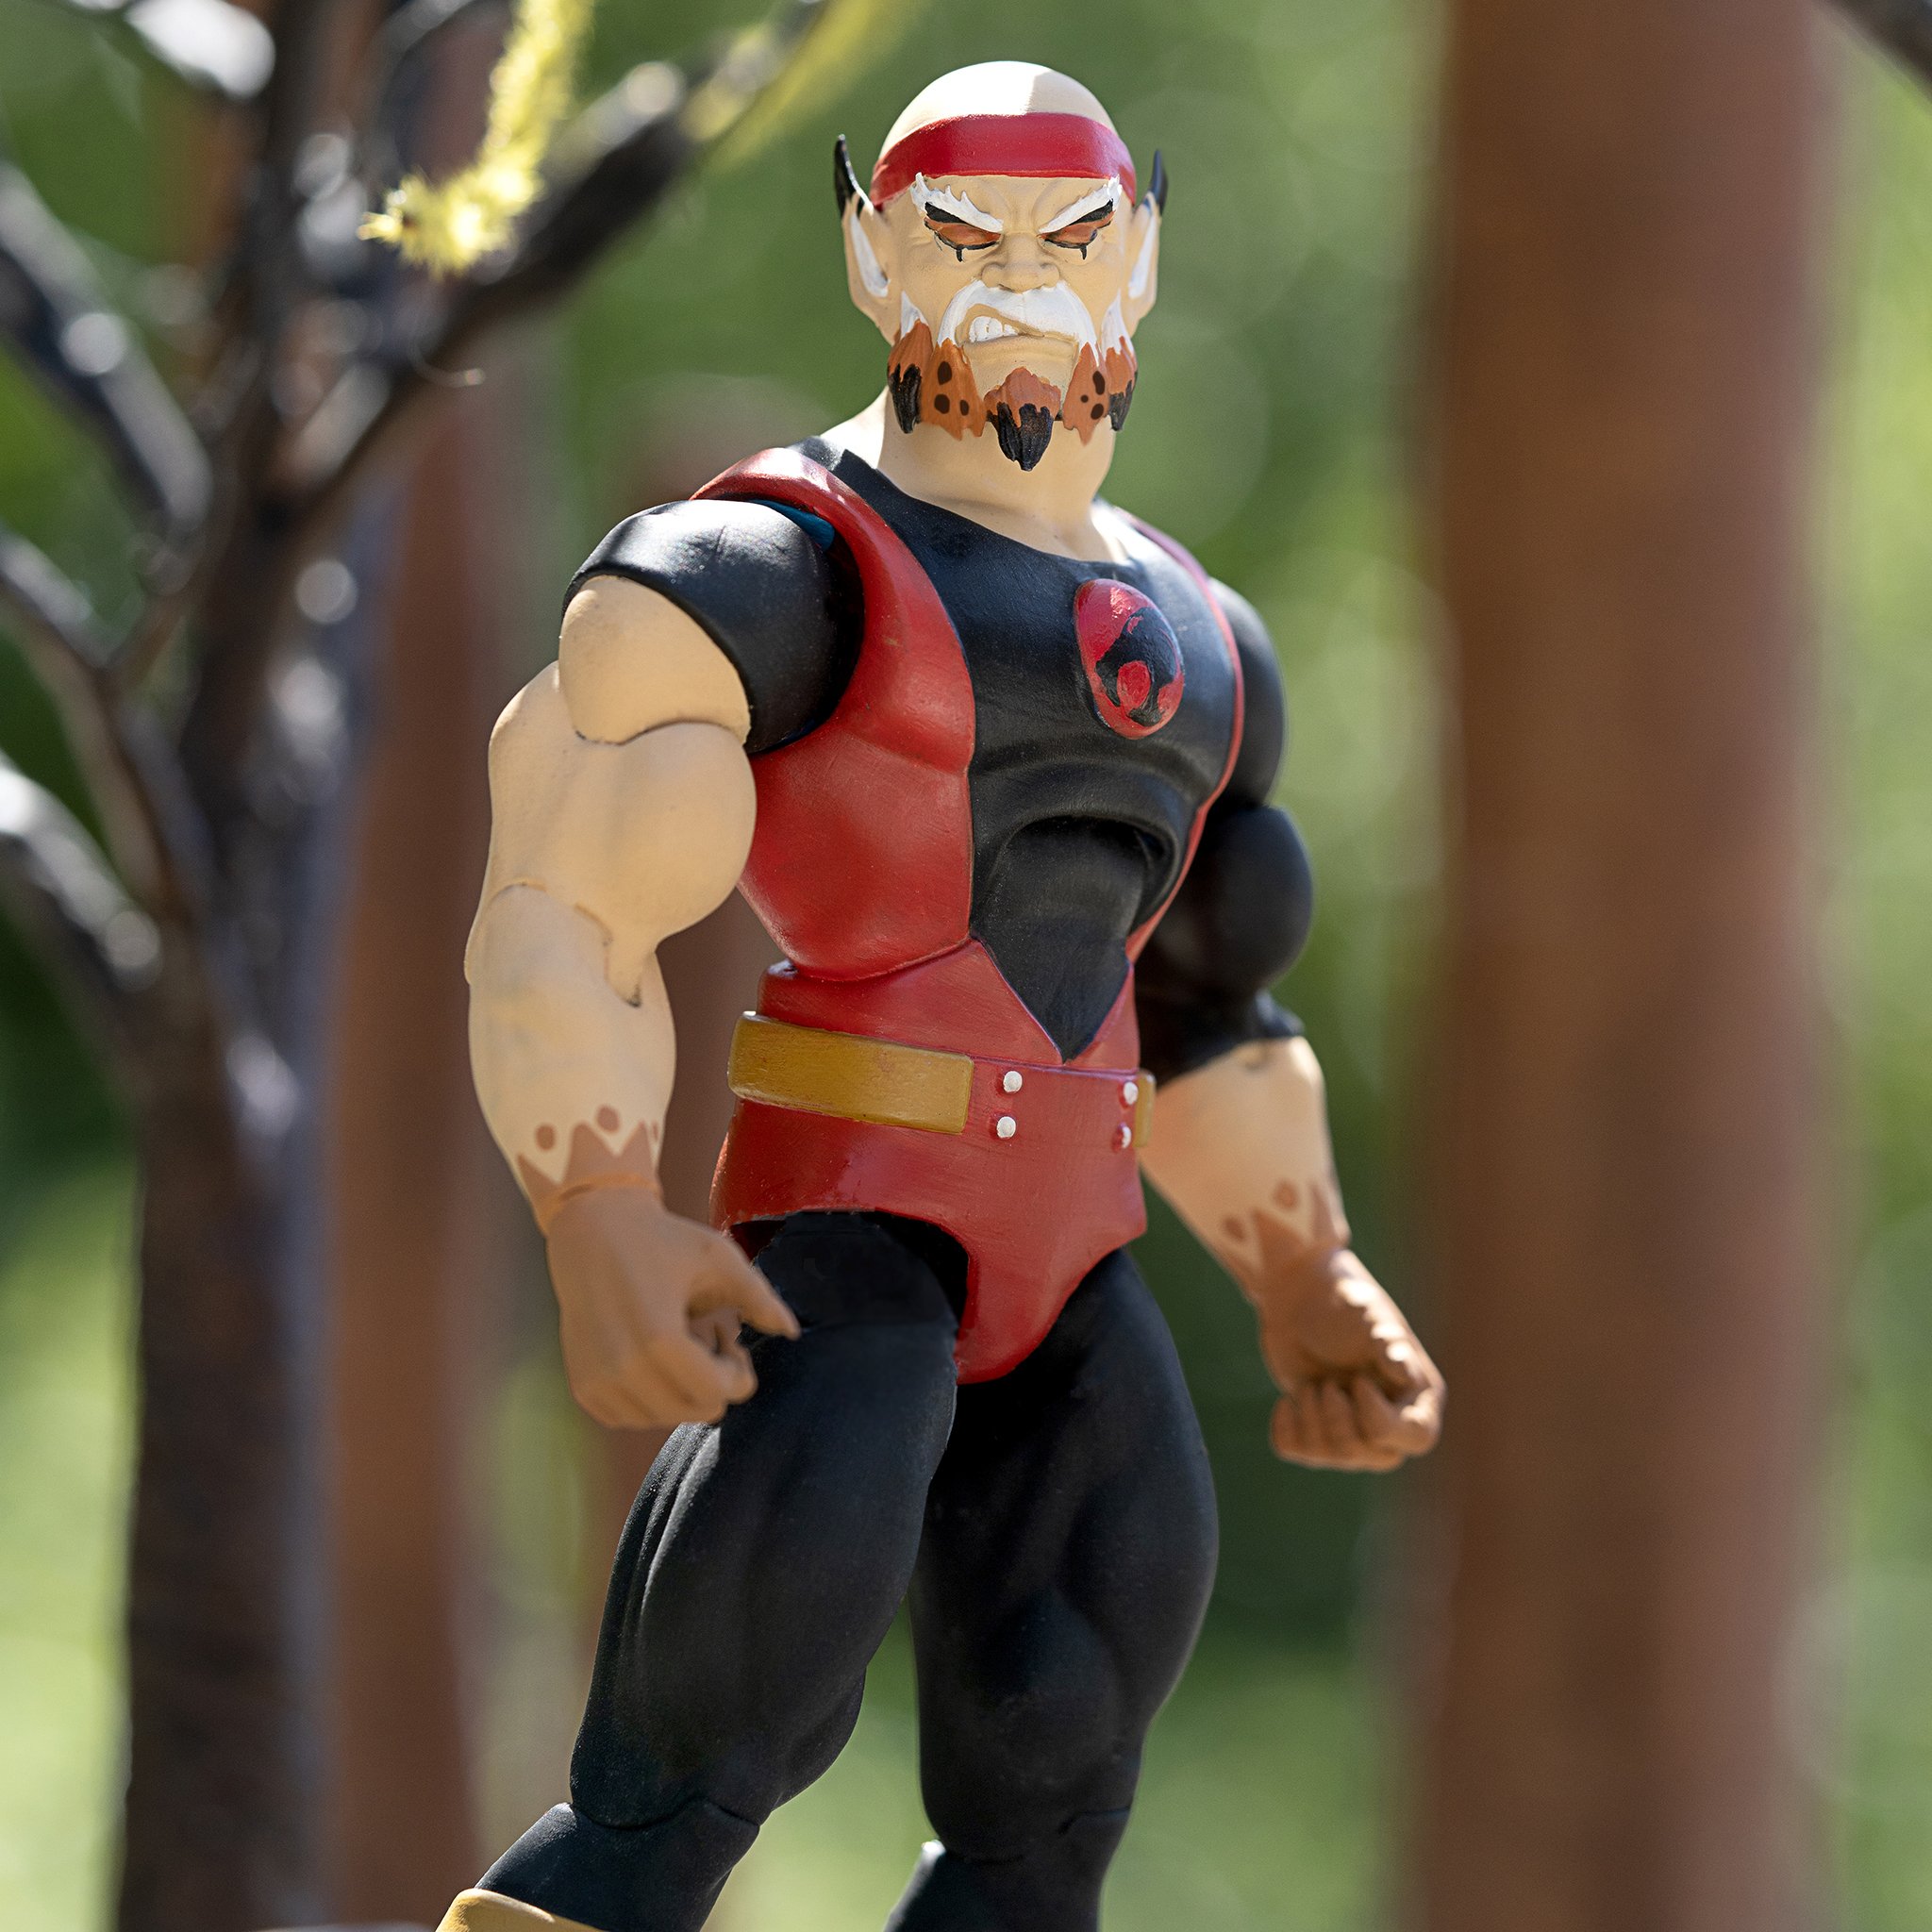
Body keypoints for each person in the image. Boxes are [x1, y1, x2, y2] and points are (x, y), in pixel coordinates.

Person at [443, 60, 1443, 1932]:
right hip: (849, 1231)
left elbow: (1209, 999)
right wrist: (593, 1200)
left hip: (1075, 1250)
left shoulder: (1207, 642)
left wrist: (1303, 1265)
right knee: (706, 1742)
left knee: (1058, 1772)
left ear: (1139, 261)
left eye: (1070, 237)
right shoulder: (771, 567)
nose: (1019, 282)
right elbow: (567, 883)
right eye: (962, 237)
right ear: (871, 255)